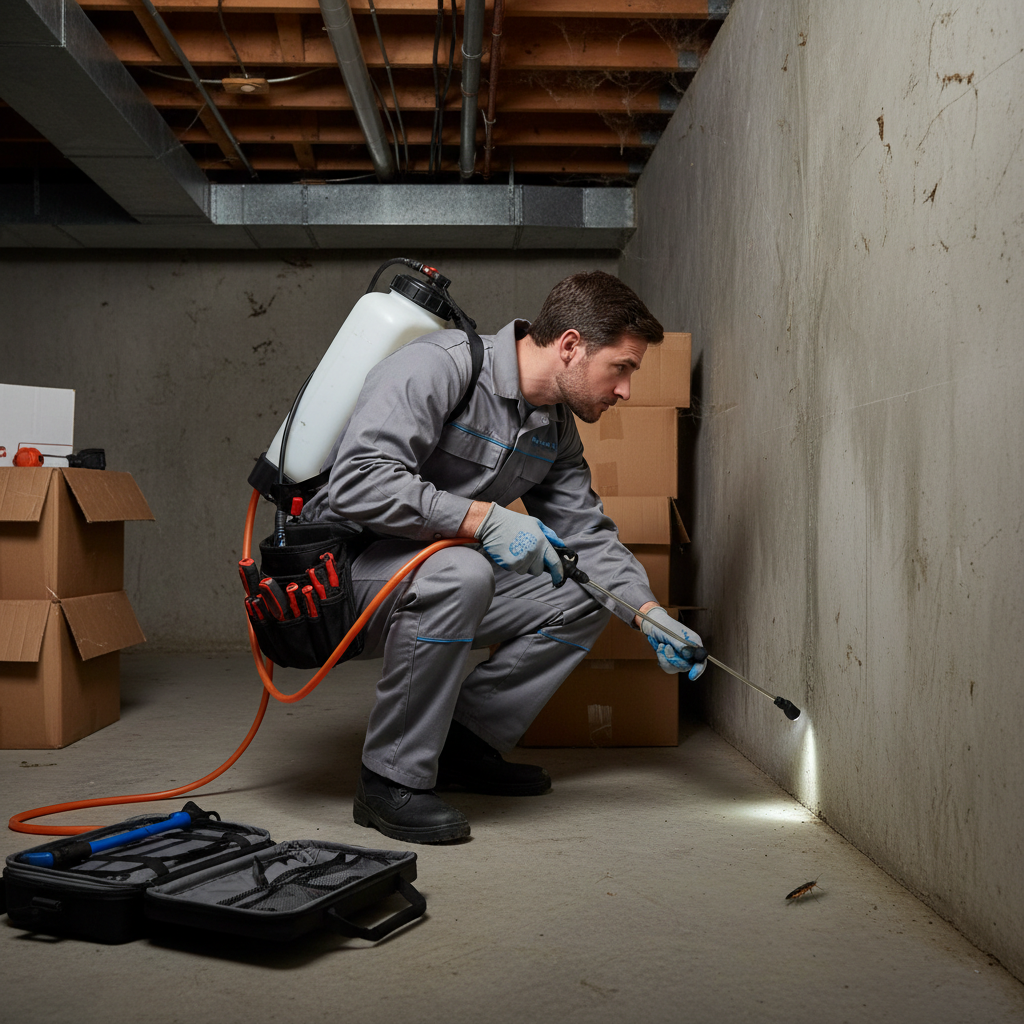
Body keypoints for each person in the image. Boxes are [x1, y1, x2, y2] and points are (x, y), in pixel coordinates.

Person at [300, 270, 707, 844]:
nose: (626, 391)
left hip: (428, 578)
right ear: (570, 346)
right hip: (340, 579)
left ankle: (463, 745)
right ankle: (388, 779)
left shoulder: (555, 430)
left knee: (586, 591)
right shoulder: (437, 367)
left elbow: (587, 536)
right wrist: (481, 518)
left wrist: (646, 612)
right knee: (460, 571)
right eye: (622, 367)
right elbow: (359, 484)